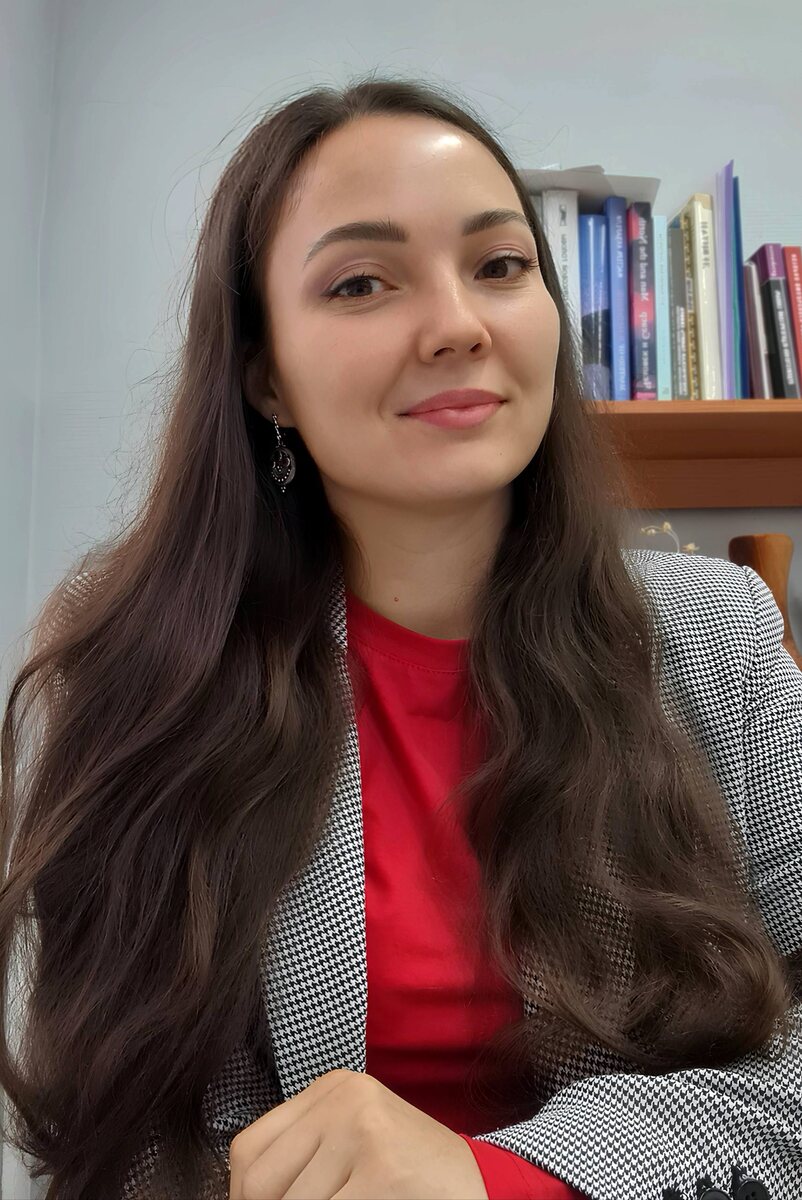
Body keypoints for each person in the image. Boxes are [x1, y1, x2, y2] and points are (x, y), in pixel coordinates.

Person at [0, 74, 799, 1200]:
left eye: (500, 265)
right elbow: (122, 1136)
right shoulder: (136, 678)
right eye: (362, 283)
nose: (458, 326)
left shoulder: (719, 639)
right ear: (265, 375)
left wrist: (501, 1179)